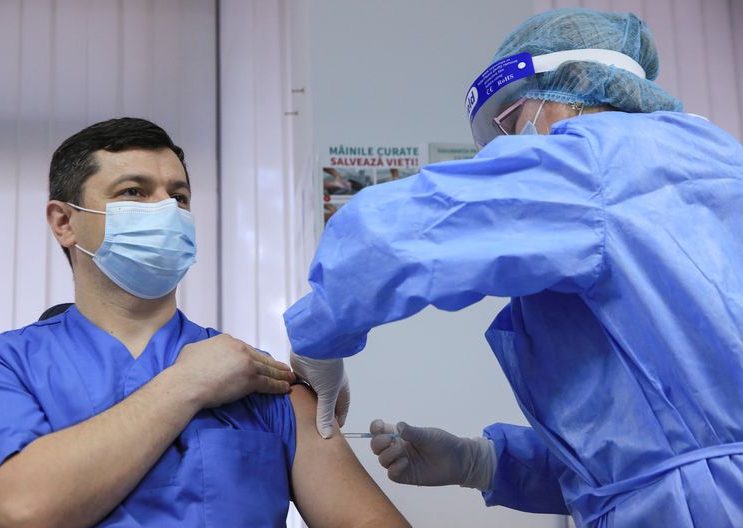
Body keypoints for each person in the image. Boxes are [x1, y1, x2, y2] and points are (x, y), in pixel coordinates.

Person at [284, 8, 743, 527]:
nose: (509, 146)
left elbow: (383, 236)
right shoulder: (715, 160)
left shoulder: (597, 161)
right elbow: (651, 448)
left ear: (570, 97)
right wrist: (482, 462)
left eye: (512, 121)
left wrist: (315, 341)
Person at [0, 118, 409, 527]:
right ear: (64, 221)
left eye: (179, 197)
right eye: (134, 192)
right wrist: (186, 384)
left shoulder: (258, 376)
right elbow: (19, 511)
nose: (167, 210)